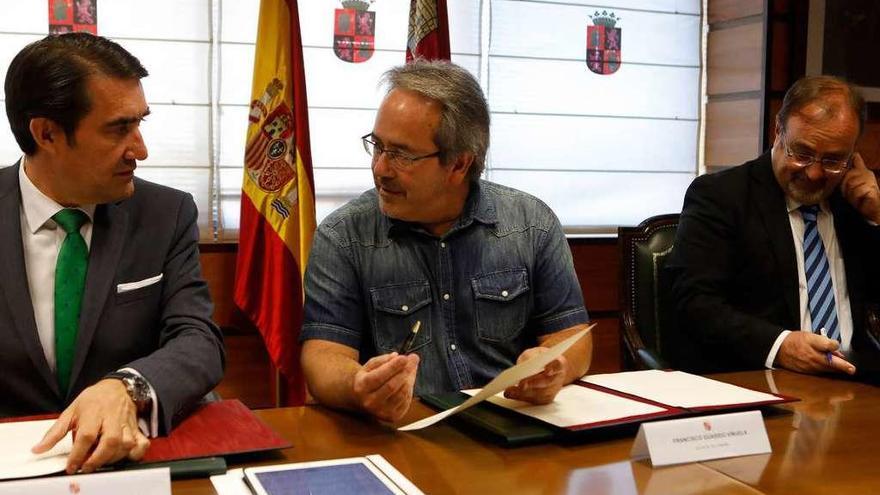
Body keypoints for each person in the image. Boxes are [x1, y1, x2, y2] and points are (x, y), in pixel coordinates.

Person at [300, 60, 592, 422]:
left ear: (458, 165)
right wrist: (357, 384)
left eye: (402, 154)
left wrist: (555, 365)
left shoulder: (531, 225)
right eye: (377, 146)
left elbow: (574, 334)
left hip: (510, 428)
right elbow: (322, 355)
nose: (380, 168)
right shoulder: (344, 235)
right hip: (402, 432)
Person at [0, 33, 224, 473]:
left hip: (134, 460)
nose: (141, 150)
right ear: (46, 133)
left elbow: (199, 340)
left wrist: (129, 387)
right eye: (119, 128)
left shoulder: (165, 213)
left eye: (140, 123)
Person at [668, 75, 880, 375]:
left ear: (854, 154)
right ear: (778, 131)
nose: (816, 173)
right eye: (803, 154)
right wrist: (780, 346)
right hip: (764, 380)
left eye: (834, 160)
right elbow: (694, 303)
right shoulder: (722, 196)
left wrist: (877, 216)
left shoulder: (852, 203)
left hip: (856, 381)